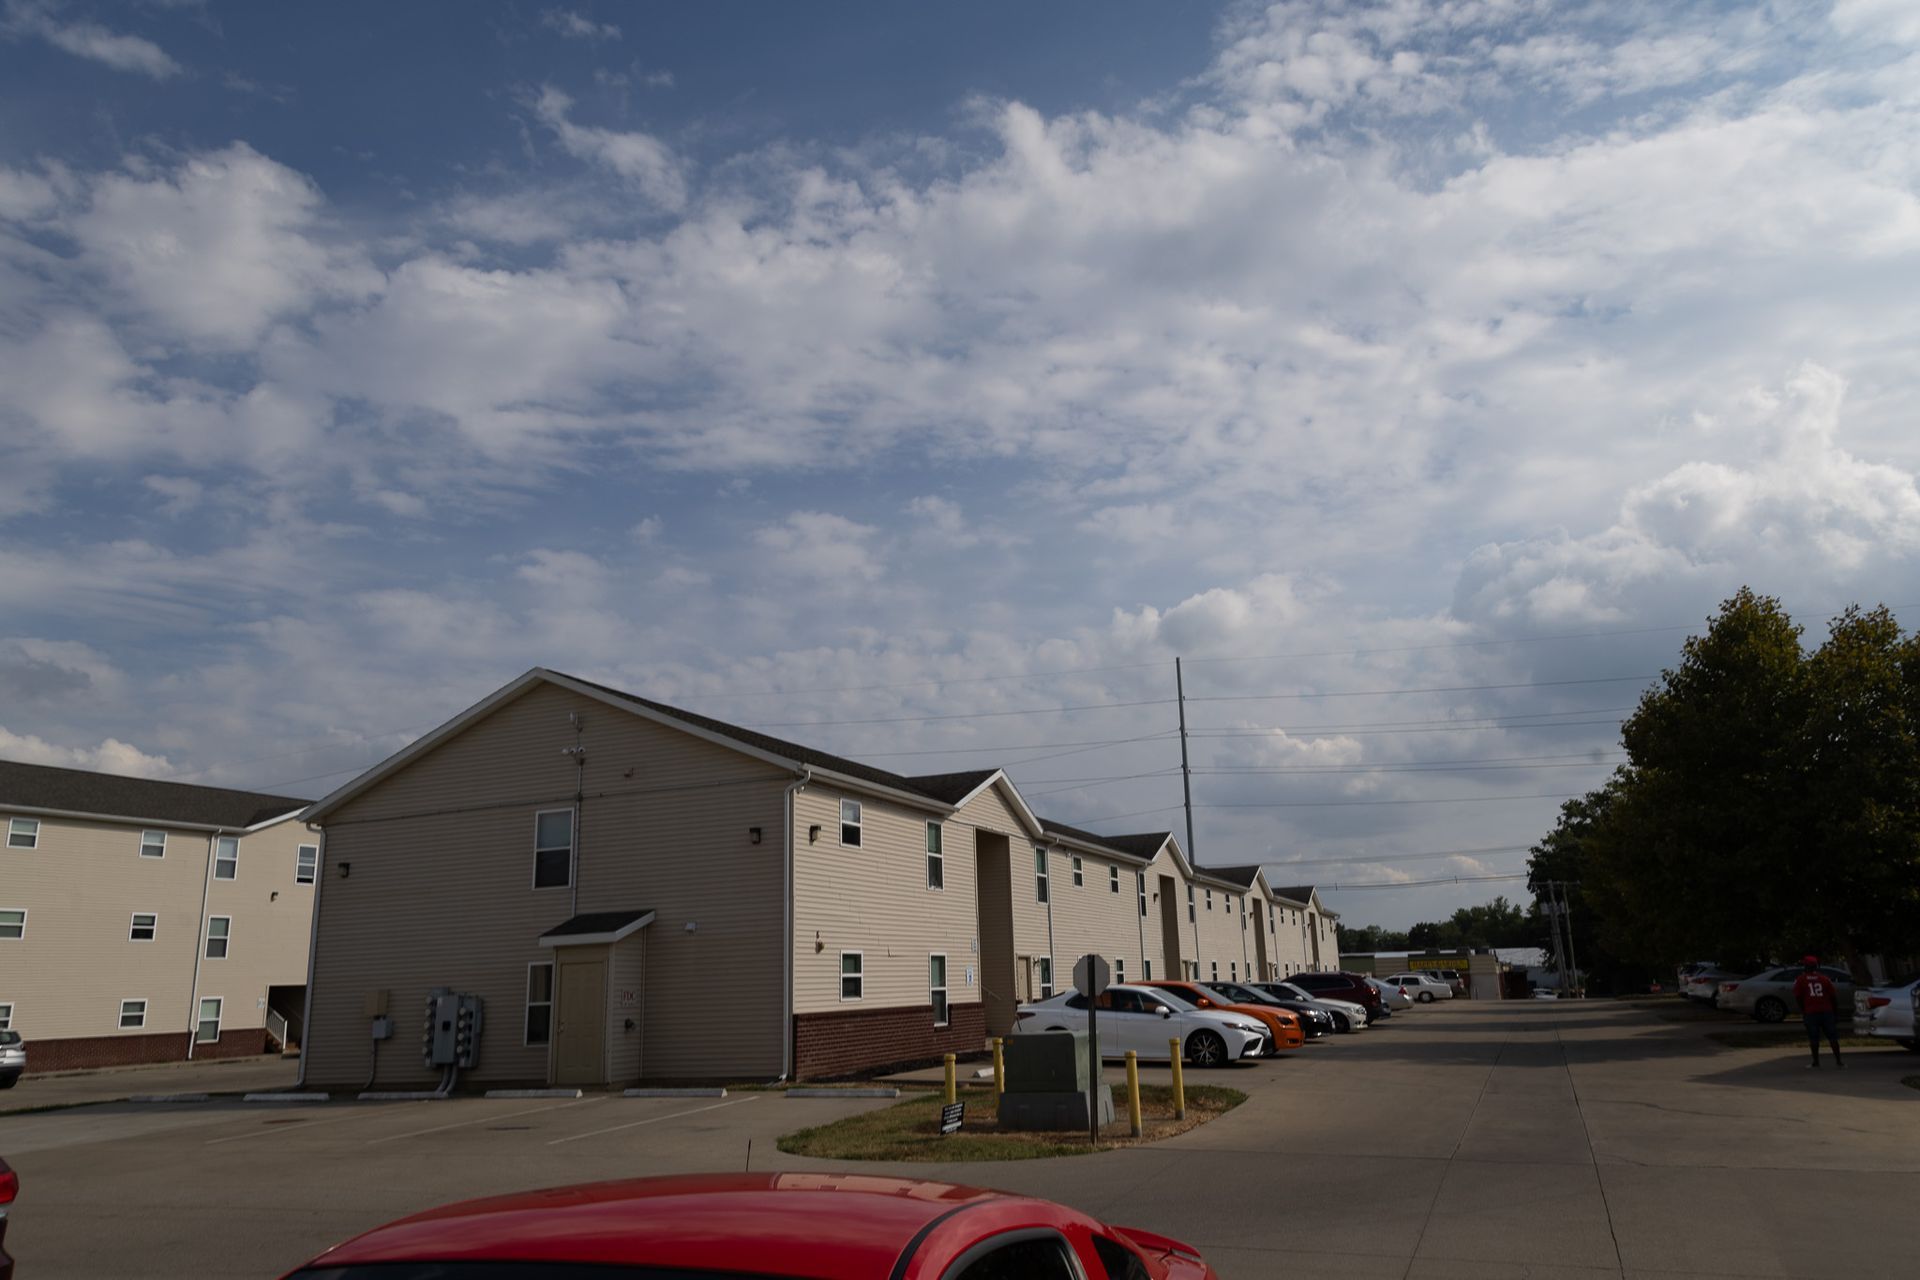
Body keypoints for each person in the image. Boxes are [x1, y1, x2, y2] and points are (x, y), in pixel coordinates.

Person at [1793, 955, 1842, 1069]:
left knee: (1813, 1038)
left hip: (1811, 1012)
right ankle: (1839, 1061)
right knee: (1832, 1037)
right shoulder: (1824, 978)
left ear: (1806, 966)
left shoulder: (1801, 979)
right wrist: (1835, 1013)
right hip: (1827, 1011)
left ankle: (1816, 1062)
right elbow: (1833, 997)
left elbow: (1798, 997)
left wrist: (1804, 1010)